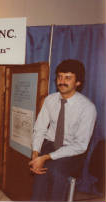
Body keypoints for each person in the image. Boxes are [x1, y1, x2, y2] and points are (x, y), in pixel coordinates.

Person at [29, 59, 97, 201]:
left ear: (78, 82)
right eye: (60, 77)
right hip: (50, 144)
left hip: (73, 150)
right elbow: (40, 128)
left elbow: (80, 145)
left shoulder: (87, 108)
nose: (62, 81)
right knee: (40, 172)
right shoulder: (50, 100)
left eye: (68, 78)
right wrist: (36, 153)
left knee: (56, 171)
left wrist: (46, 157)